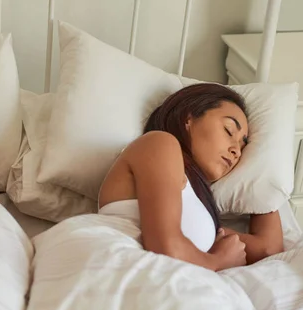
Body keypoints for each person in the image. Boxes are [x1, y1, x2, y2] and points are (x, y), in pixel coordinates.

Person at [98, 83, 283, 272]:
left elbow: (268, 249)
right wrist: (218, 261)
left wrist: (262, 178)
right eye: (229, 131)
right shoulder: (159, 143)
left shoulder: (200, 206)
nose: (236, 151)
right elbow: (165, 249)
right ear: (189, 118)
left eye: (243, 146)